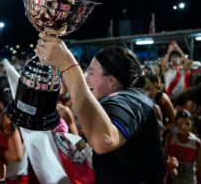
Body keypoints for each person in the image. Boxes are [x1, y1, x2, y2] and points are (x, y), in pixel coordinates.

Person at [36, 32, 166, 183]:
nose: (86, 77)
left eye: (91, 73)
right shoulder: (132, 98)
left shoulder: (129, 101)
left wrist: (68, 66)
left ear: (111, 81)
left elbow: (104, 141)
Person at [164, 110, 201, 184]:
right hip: (172, 180)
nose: (183, 127)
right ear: (176, 123)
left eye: (187, 124)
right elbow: (164, 159)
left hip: (189, 181)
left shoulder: (197, 143)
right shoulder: (170, 138)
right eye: (180, 124)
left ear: (192, 124)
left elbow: (200, 166)